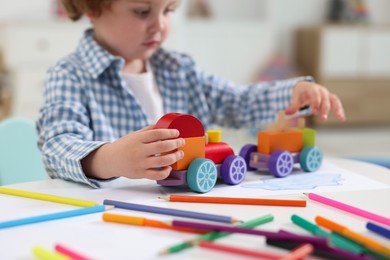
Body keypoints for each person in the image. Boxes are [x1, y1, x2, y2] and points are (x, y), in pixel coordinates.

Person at [37, 0, 345, 188]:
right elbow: (57, 147)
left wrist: (292, 92)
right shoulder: (70, 75)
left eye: (168, 10)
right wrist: (112, 159)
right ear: (93, 7)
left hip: (185, 208)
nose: (159, 25)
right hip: (105, 220)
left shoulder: (179, 69)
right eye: (143, 11)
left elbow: (237, 102)